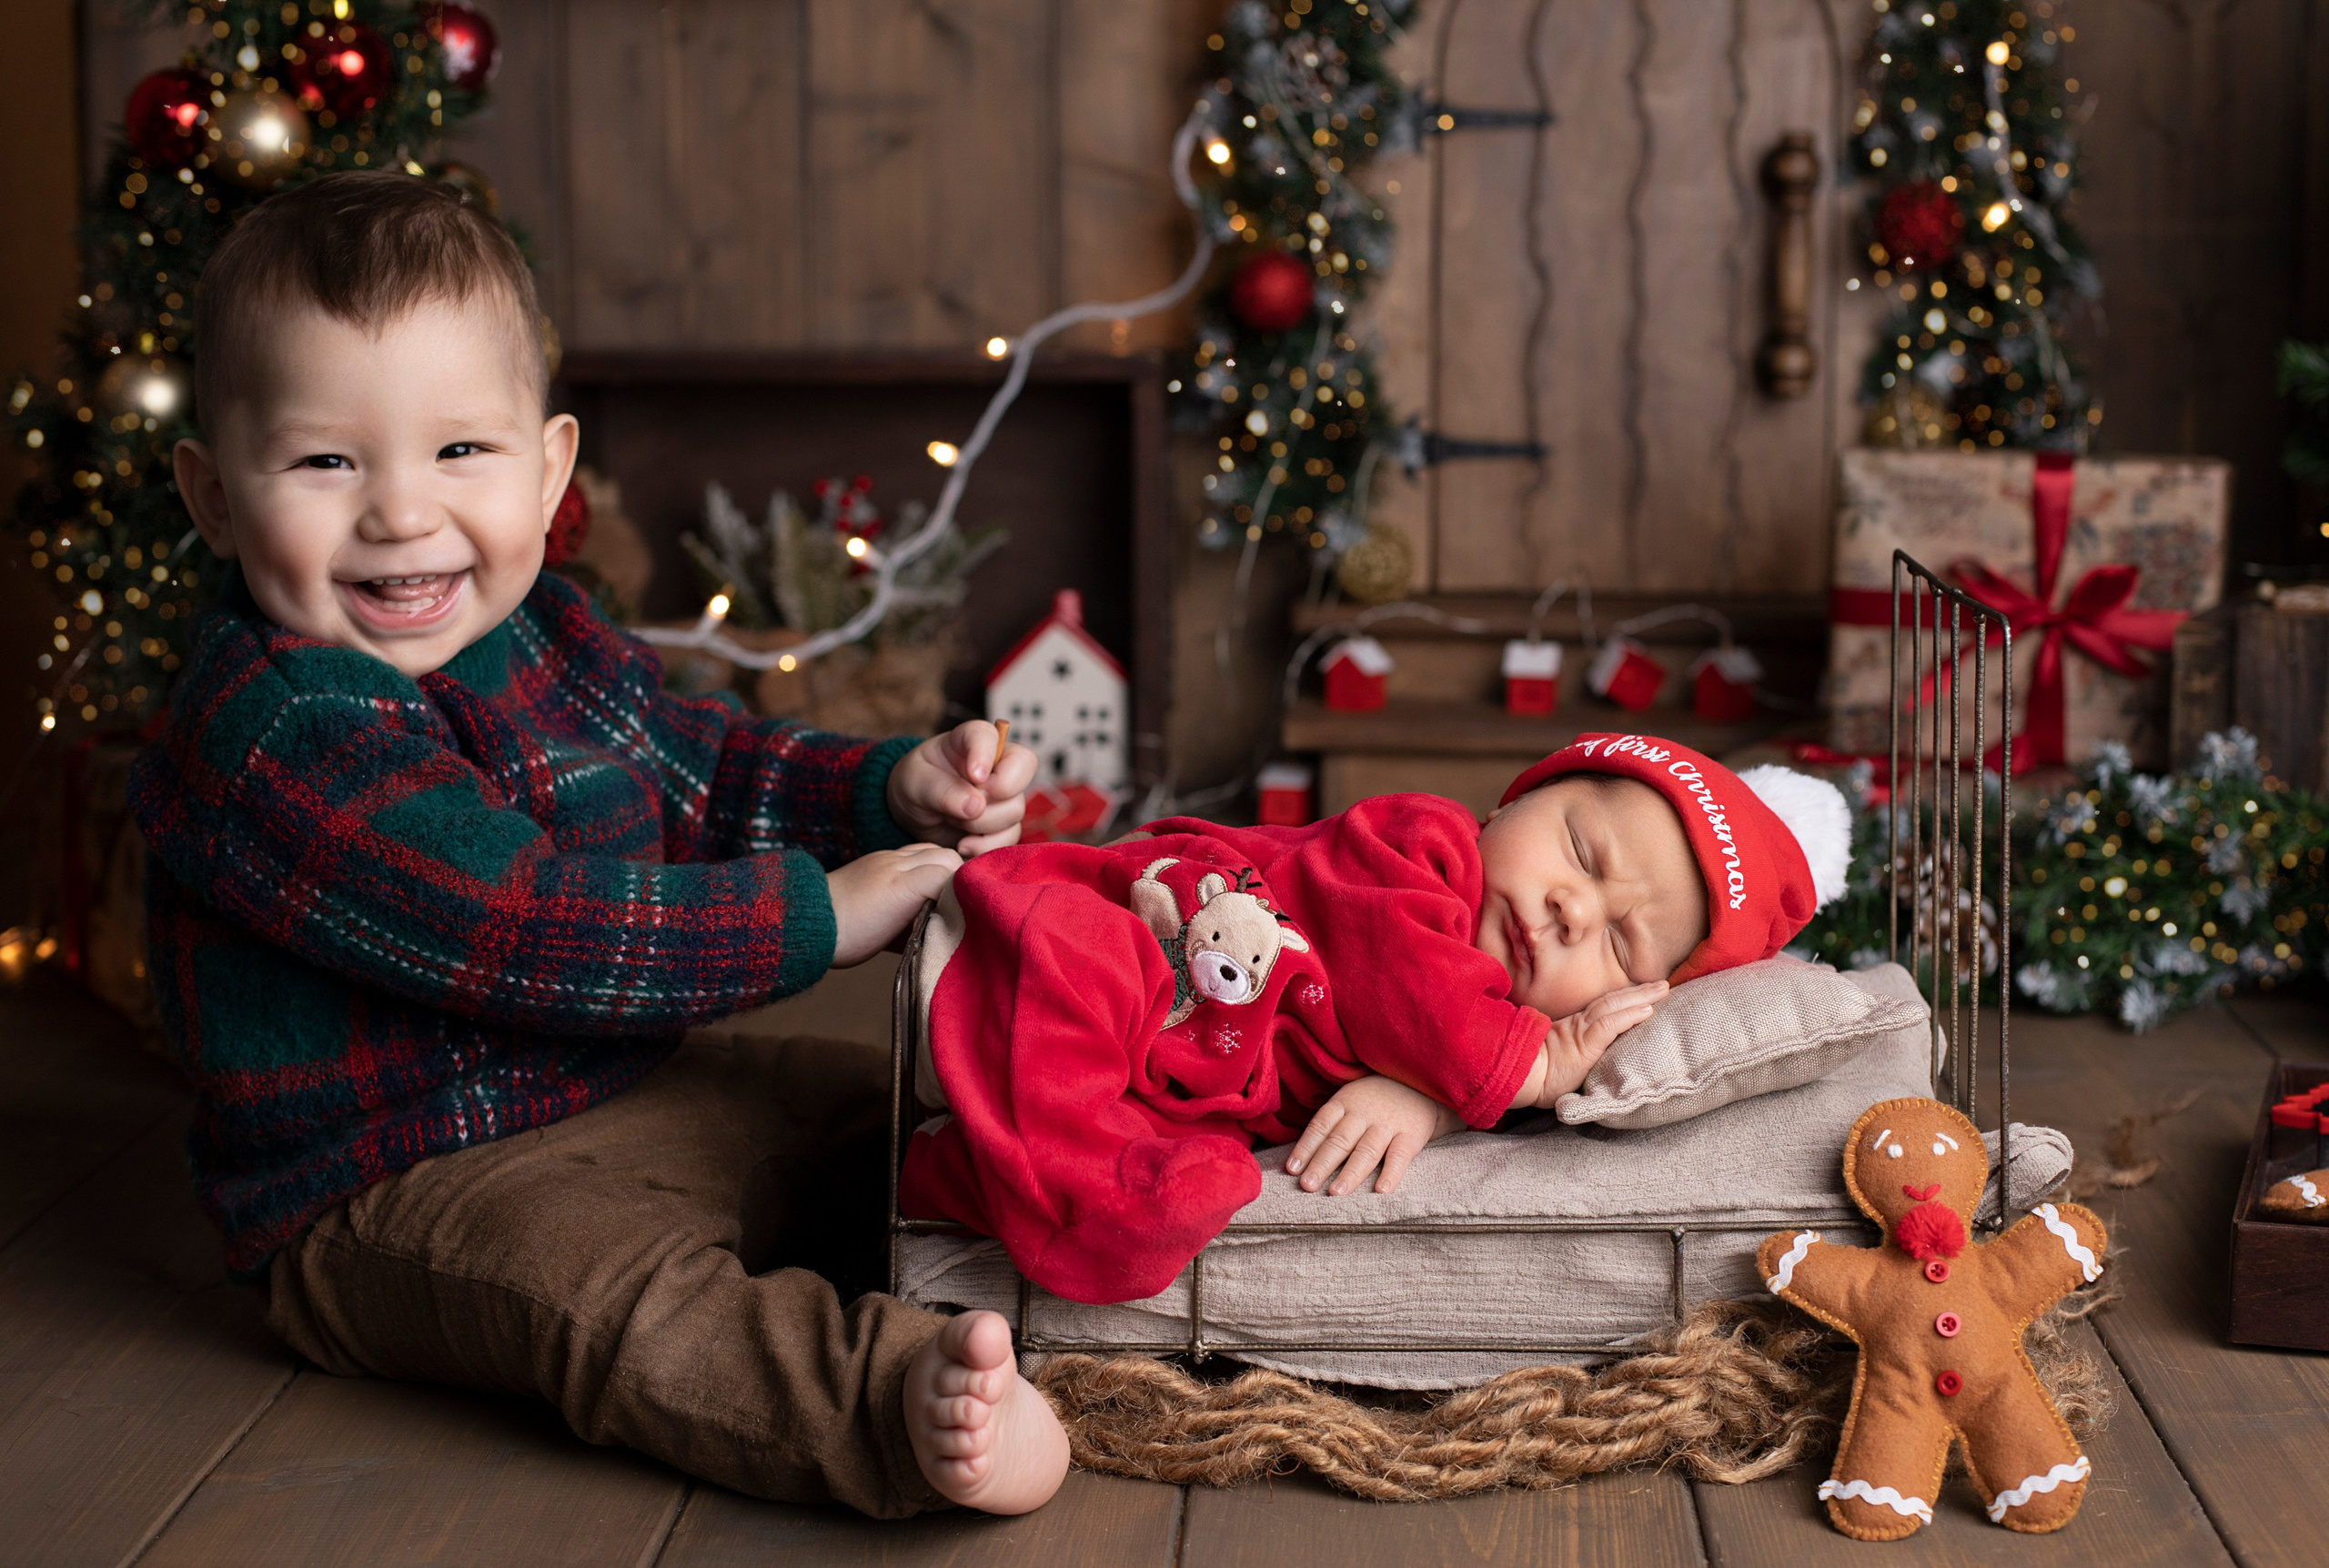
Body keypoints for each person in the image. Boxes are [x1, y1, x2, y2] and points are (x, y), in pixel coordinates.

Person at [129, 171, 1067, 1518]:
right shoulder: (273, 732)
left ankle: (1088, 1246)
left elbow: (704, 767)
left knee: (881, 1107)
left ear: (550, 467)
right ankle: (899, 1404)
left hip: (618, 1082)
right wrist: (820, 913)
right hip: (397, 1188)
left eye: (460, 452)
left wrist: (886, 793)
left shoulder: (541, 634)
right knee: (620, 1308)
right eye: (327, 459)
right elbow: (517, 924)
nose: (400, 512)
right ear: (216, 499)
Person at [899, 733, 1851, 1304]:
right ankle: (1085, 1208)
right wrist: (1540, 1062)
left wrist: (1428, 1104)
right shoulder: (1415, 850)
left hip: (1153, 1062)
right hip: (1055, 942)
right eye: (1579, 849)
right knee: (1094, 972)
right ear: (1512, 800)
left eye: (1620, 946)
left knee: (1206, 1156)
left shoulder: (1476, 1043)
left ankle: (949, 1171)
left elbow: (1454, 1062)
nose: (1572, 910)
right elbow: (1404, 987)